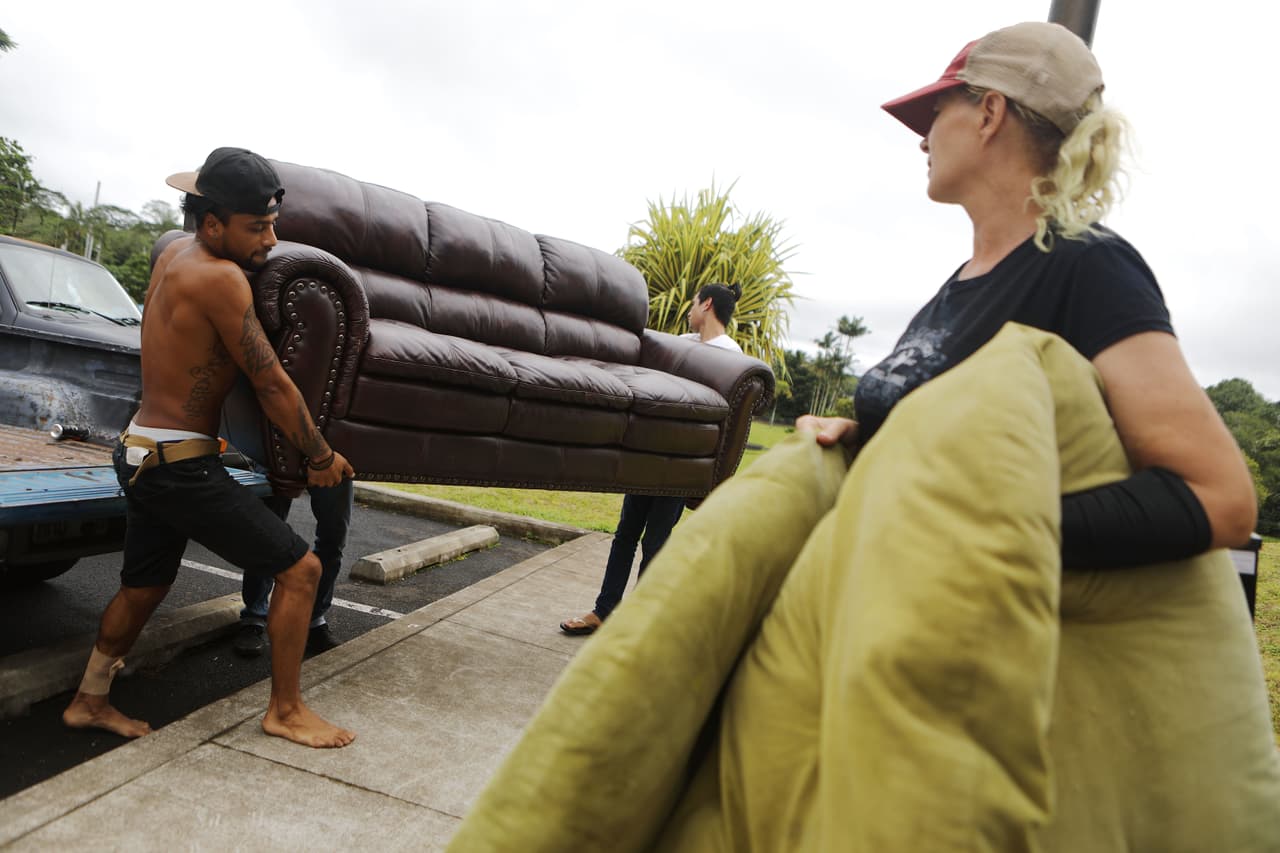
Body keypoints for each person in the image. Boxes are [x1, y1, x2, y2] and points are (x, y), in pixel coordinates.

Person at [800, 22, 1256, 567]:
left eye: (936, 113)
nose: (923, 139)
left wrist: (979, 532)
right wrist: (866, 441)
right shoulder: (967, 278)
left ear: (989, 114)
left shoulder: (1090, 266)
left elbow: (1220, 498)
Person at [61, 147, 357, 748]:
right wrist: (321, 456)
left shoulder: (174, 252)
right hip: (179, 465)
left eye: (273, 223)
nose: (271, 239)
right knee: (301, 571)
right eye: (257, 227)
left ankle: (89, 700)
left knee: (144, 586)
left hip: (140, 449)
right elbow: (271, 383)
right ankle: (286, 711)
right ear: (214, 223)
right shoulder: (222, 279)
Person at [561, 283, 744, 635]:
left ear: (706, 304)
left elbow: (728, 421)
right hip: (649, 455)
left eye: (694, 303)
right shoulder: (682, 343)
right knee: (625, 535)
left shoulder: (730, 355)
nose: (689, 310)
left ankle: (637, 624)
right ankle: (603, 611)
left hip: (683, 465)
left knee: (655, 542)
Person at [233, 481, 354, 658]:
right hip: (278, 462)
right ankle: (254, 616)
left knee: (334, 538)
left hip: (335, 466)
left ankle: (313, 619)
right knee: (264, 532)